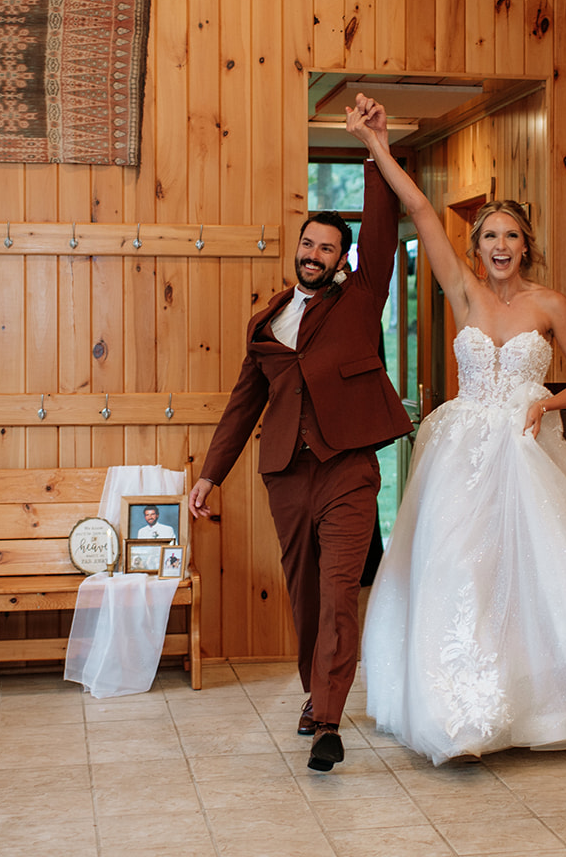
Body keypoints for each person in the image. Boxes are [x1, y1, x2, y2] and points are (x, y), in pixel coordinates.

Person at [349, 96, 566, 765]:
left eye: (511, 236)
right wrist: (378, 144)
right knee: (461, 569)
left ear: (525, 245)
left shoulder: (549, 304)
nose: (500, 247)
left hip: (524, 450)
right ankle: (463, 708)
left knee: (535, 576)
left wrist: (545, 404)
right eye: (490, 236)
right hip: (462, 454)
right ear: (476, 245)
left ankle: (538, 705)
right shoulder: (462, 291)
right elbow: (422, 211)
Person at [186, 94, 413, 773]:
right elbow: (241, 403)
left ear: (342, 260)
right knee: (305, 594)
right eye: (308, 243)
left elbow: (382, 224)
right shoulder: (267, 322)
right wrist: (208, 473)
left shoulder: (361, 298)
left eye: (326, 247)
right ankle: (315, 693)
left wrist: (376, 147)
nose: (313, 253)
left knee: (342, 590)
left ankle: (330, 722)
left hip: (347, 469)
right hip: (285, 474)